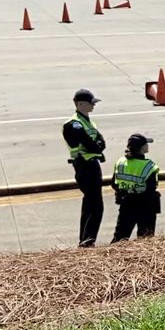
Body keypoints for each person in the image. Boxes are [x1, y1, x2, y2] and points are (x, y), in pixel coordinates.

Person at [62, 88, 106, 247]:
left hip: (92, 164)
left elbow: (100, 142)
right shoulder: (73, 124)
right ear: (80, 104)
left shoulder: (87, 121)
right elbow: (90, 143)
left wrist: (97, 145)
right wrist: (96, 145)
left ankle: (86, 240)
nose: (93, 106)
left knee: (91, 204)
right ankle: (87, 240)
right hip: (85, 166)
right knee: (95, 205)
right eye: (90, 103)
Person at [111, 133, 160, 242]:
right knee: (145, 239)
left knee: (120, 238)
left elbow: (114, 183)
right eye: (146, 144)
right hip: (145, 206)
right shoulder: (149, 166)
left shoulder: (121, 162)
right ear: (142, 148)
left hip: (126, 204)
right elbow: (150, 190)